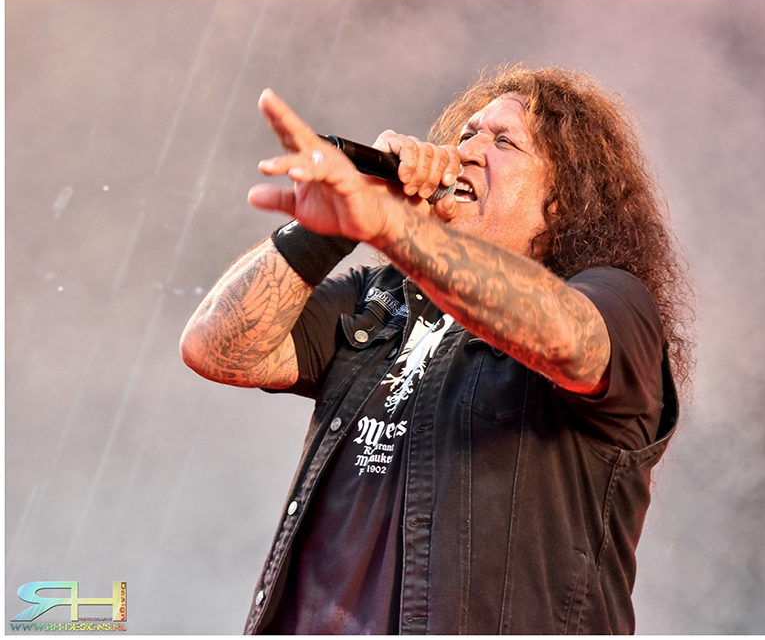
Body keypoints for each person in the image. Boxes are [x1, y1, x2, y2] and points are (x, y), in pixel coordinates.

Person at [180, 64, 694, 635]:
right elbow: (217, 350)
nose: (466, 151)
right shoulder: (380, 299)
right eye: (467, 133)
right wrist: (333, 224)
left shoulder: (617, 301)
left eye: (504, 142)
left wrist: (394, 228)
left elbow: (565, 336)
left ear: (564, 202)